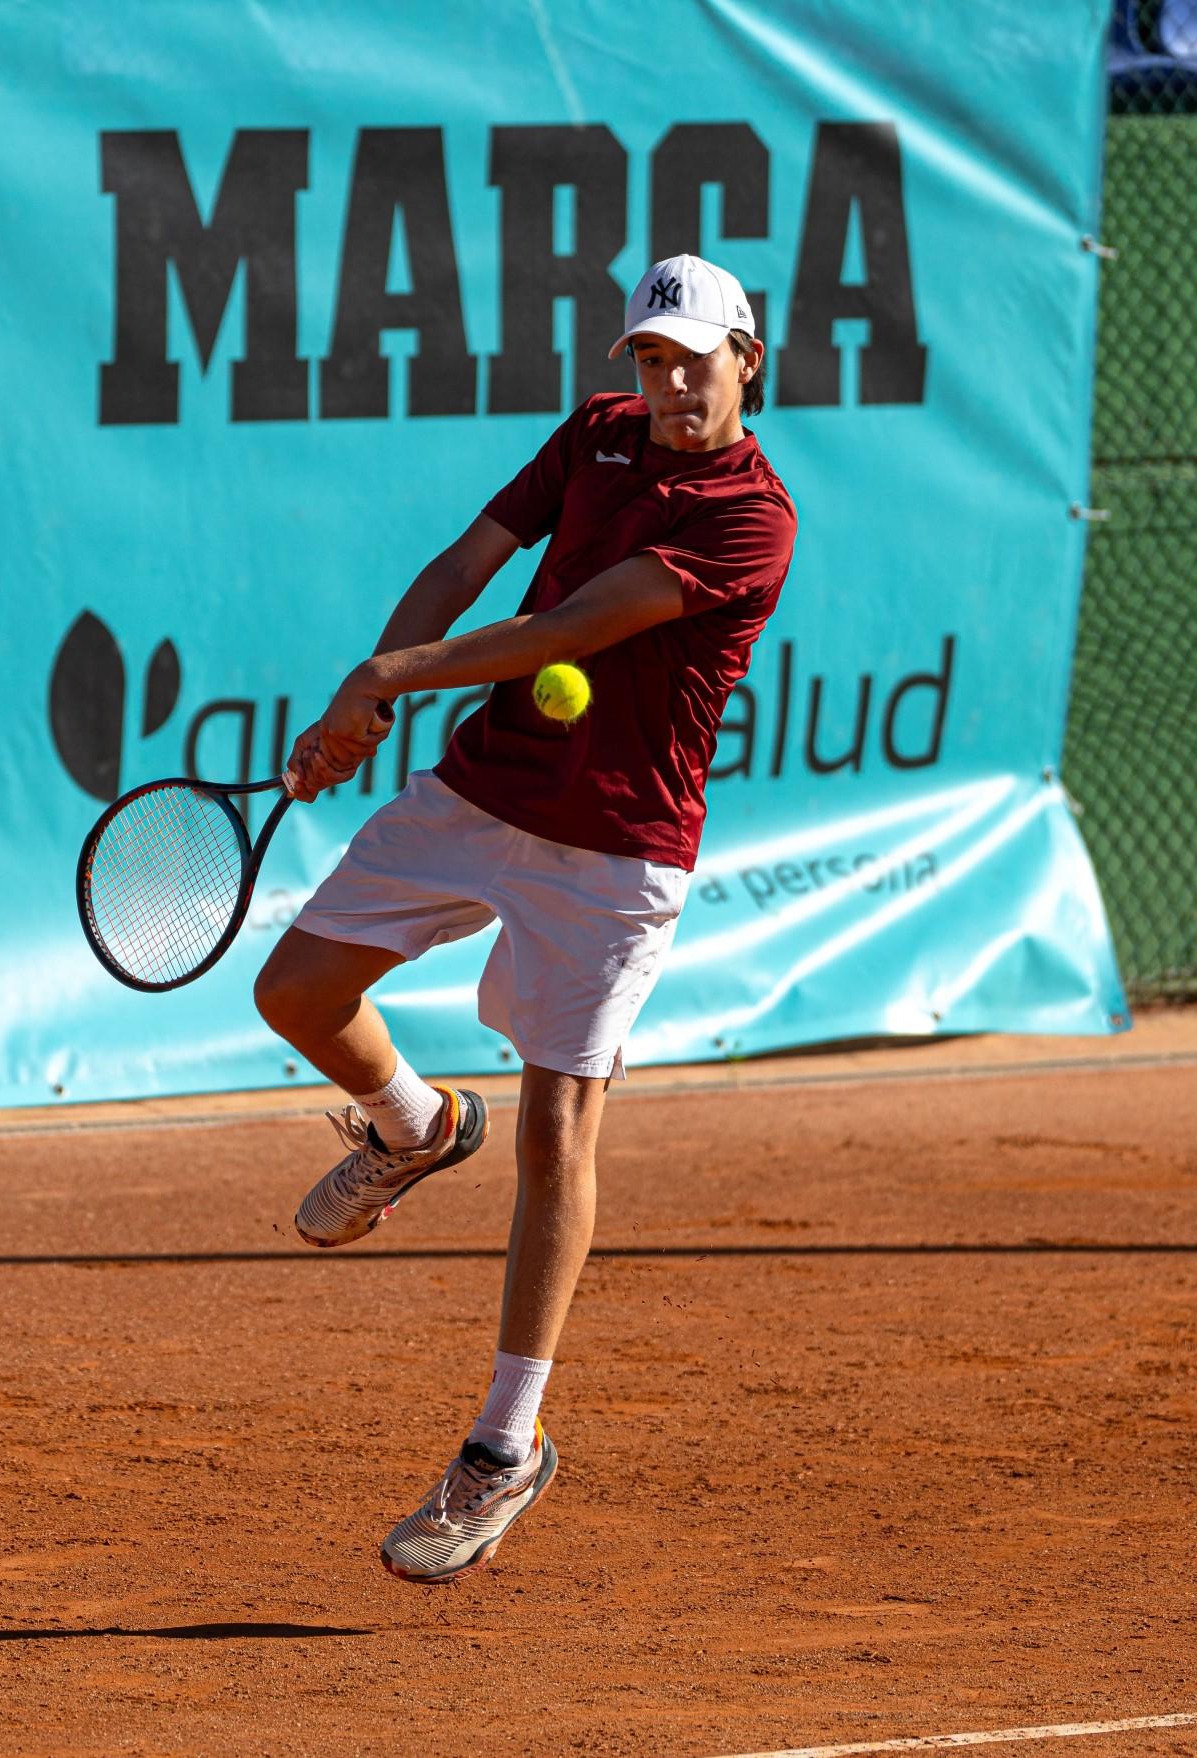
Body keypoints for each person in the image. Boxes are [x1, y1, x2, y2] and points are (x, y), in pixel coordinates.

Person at [254, 253, 797, 1585]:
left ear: (749, 361)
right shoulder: (601, 434)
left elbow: (574, 624)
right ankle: (415, 1125)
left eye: (696, 360)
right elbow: (468, 560)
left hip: (614, 850)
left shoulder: (751, 518)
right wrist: (370, 698)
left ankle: (503, 1444)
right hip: (487, 784)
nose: (670, 384)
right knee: (294, 994)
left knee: (559, 1126)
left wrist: (383, 675)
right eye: (651, 360)